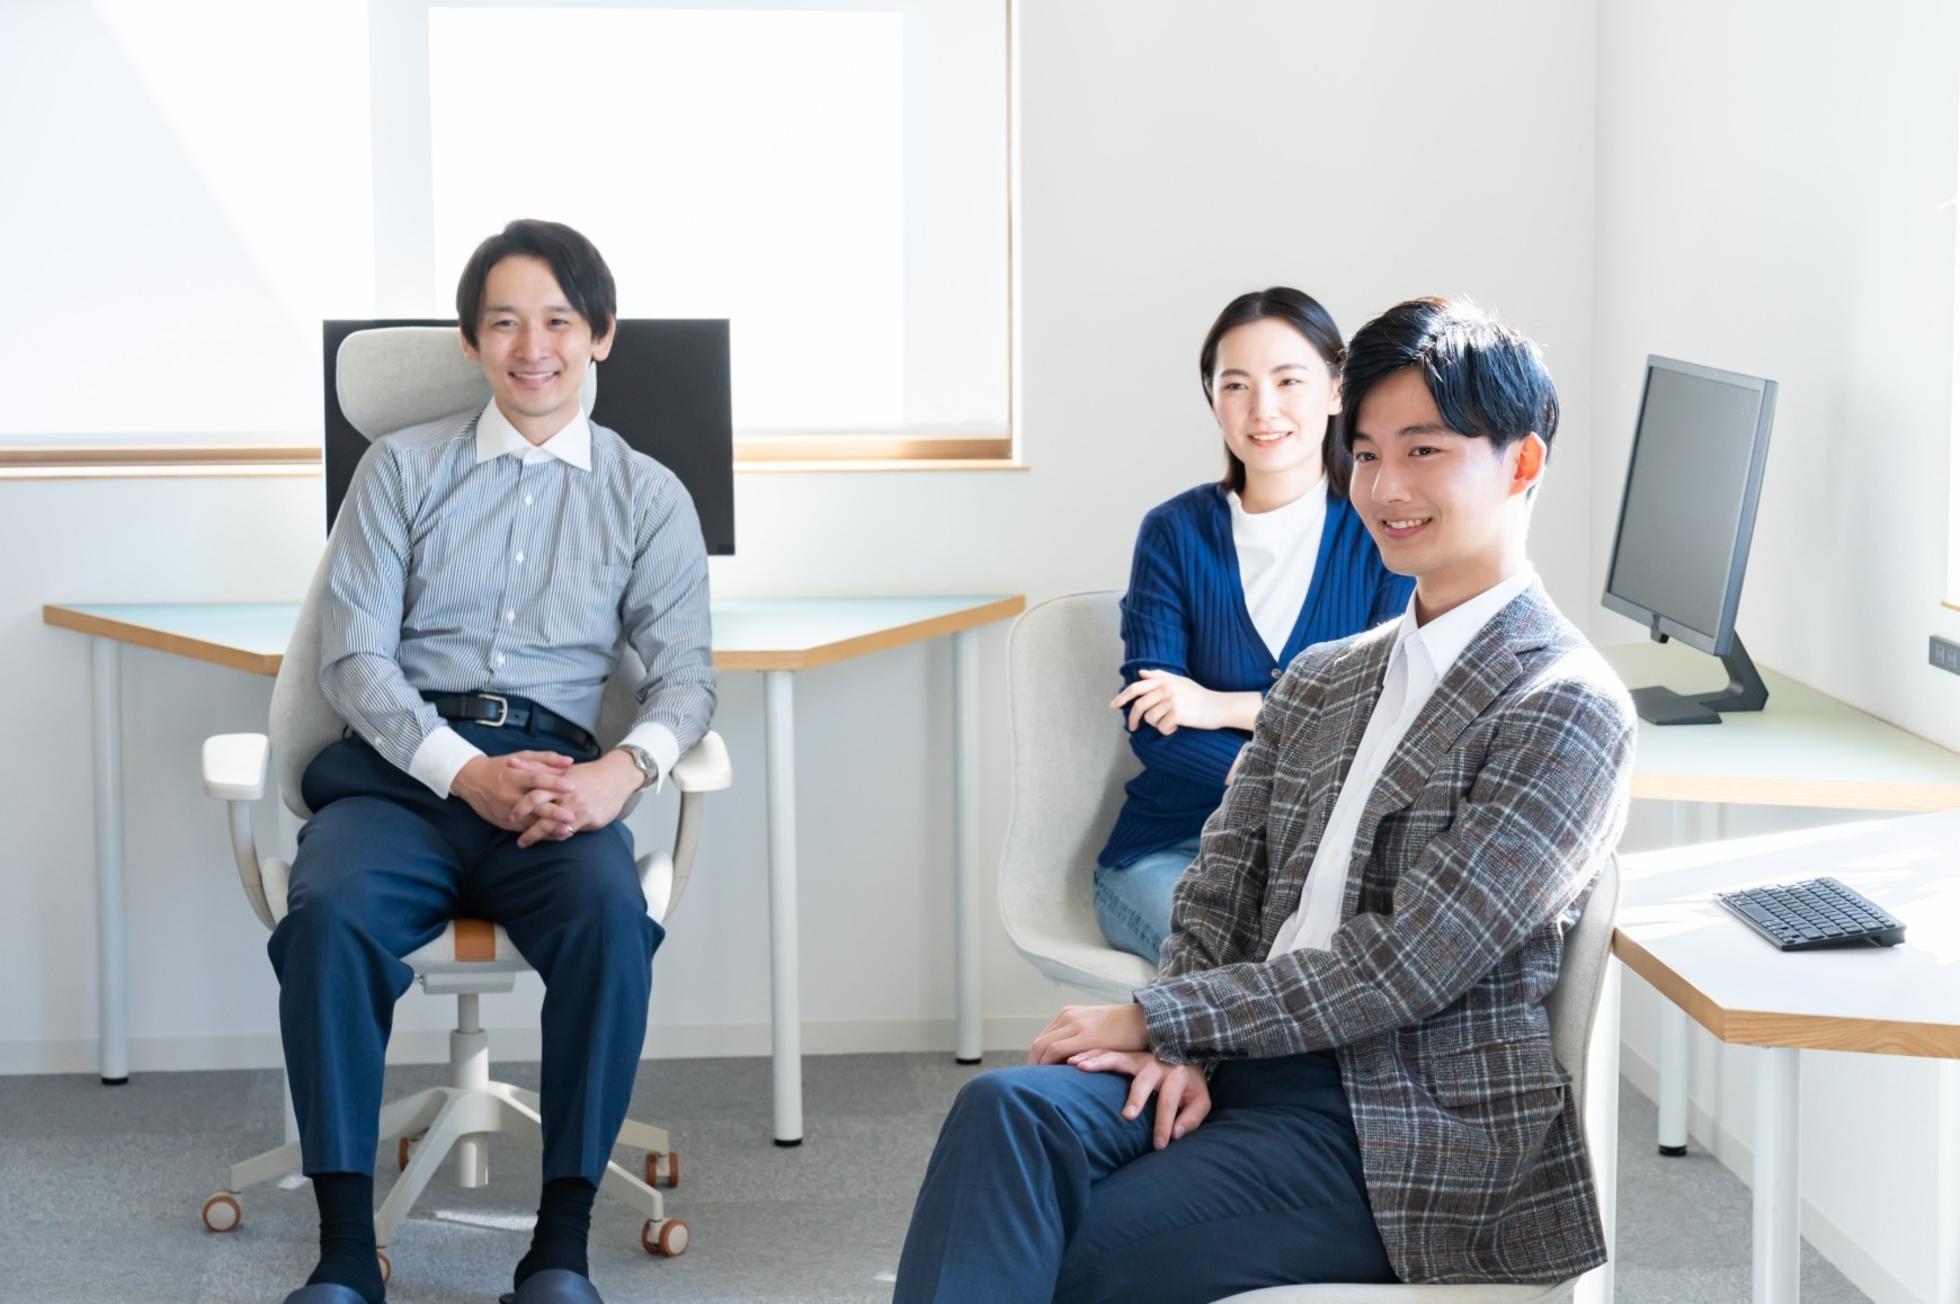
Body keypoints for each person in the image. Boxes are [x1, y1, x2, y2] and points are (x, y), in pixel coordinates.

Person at [894, 297, 1636, 1302]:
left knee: (1076, 1252)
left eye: (1422, 450)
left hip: (1393, 1122)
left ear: (1522, 463)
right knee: (1005, 1113)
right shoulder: (1327, 676)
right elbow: (1220, 884)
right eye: (1366, 454)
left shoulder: (1564, 704)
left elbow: (1406, 965)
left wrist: (1161, 1015)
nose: (1385, 487)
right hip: (1248, 1058)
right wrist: (1185, 1044)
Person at [273, 219, 715, 1304]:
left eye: (558, 321)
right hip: (403, 775)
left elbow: (687, 681)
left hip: (555, 782)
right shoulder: (400, 468)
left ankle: (558, 1252)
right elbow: (355, 659)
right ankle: (345, 1252)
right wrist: (462, 770)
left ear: (600, 335)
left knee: (610, 919)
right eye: (505, 323)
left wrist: (620, 773)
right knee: (329, 918)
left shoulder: (647, 495)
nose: (533, 347)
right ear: (471, 342)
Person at [1097, 287, 1411, 964]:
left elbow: (1385, 708)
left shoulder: (1386, 530)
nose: (1263, 409)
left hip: (1326, 864)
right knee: (1248, 968)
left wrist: (1219, 707)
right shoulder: (1174, 533)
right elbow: (1152, 724)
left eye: (1288, 381)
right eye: (1236, 385)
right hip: (1172, 850)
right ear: (1213, 400)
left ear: (1337, 389)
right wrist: (1299, 767)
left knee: (1344, 970)